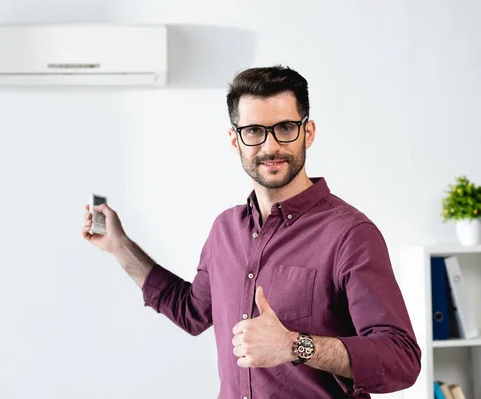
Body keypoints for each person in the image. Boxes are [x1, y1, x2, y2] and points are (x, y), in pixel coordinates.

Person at [82, 65, 421, 399]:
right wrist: (120, 247)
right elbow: (191, 312)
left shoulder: (350, 234)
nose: (270, 147)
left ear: (309, 132)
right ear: (235, 139)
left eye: (285, 127)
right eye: (255, 131)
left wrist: (295, 345)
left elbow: (401, 360)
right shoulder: (225, 229)